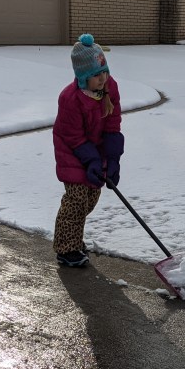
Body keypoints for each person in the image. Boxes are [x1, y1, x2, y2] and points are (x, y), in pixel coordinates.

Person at [52, 34, 123, 268]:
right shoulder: (70, 99)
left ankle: (73, 239)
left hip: (96, 148)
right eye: (96, 75)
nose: (102, 78)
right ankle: (66, 248)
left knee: (91, 198)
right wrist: (91, 160)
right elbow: (73, 136)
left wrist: (113, 159)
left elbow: (113, 124)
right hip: (71, 150)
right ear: (83, 76)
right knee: (76, 200)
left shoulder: (110, 87)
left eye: (104, 71)